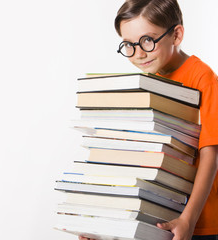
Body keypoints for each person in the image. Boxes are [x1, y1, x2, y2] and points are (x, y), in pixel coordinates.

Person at [78, 0, 218, 240]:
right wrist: (103, 223)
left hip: (196, 222)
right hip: (155, 217)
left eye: (147, 41)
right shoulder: (146, 82)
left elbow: (211, 153)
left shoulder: (202, 77)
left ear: (176, 35)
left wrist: (189, 218)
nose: (139, 54)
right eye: (129, 45)